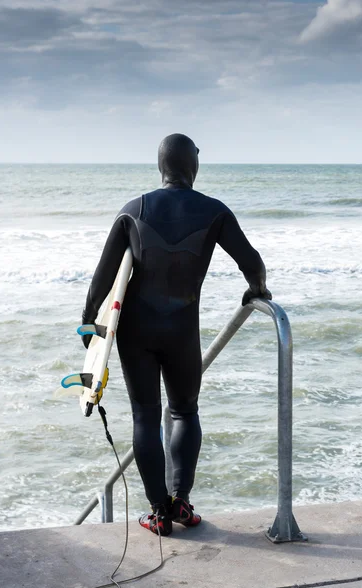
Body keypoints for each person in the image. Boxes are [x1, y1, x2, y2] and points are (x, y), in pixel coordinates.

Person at [81, 133, 272, 536]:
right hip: (183, 329)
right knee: (185, 411)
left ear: (160, 165)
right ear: (193, 165)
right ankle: (181, 501)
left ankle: (157, 512)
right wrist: (258, 291)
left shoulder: (134, 210)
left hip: (136, 331)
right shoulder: (214, 211)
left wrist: (88, 324)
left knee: (146, 415)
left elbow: (101, 280)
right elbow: (252, 263)